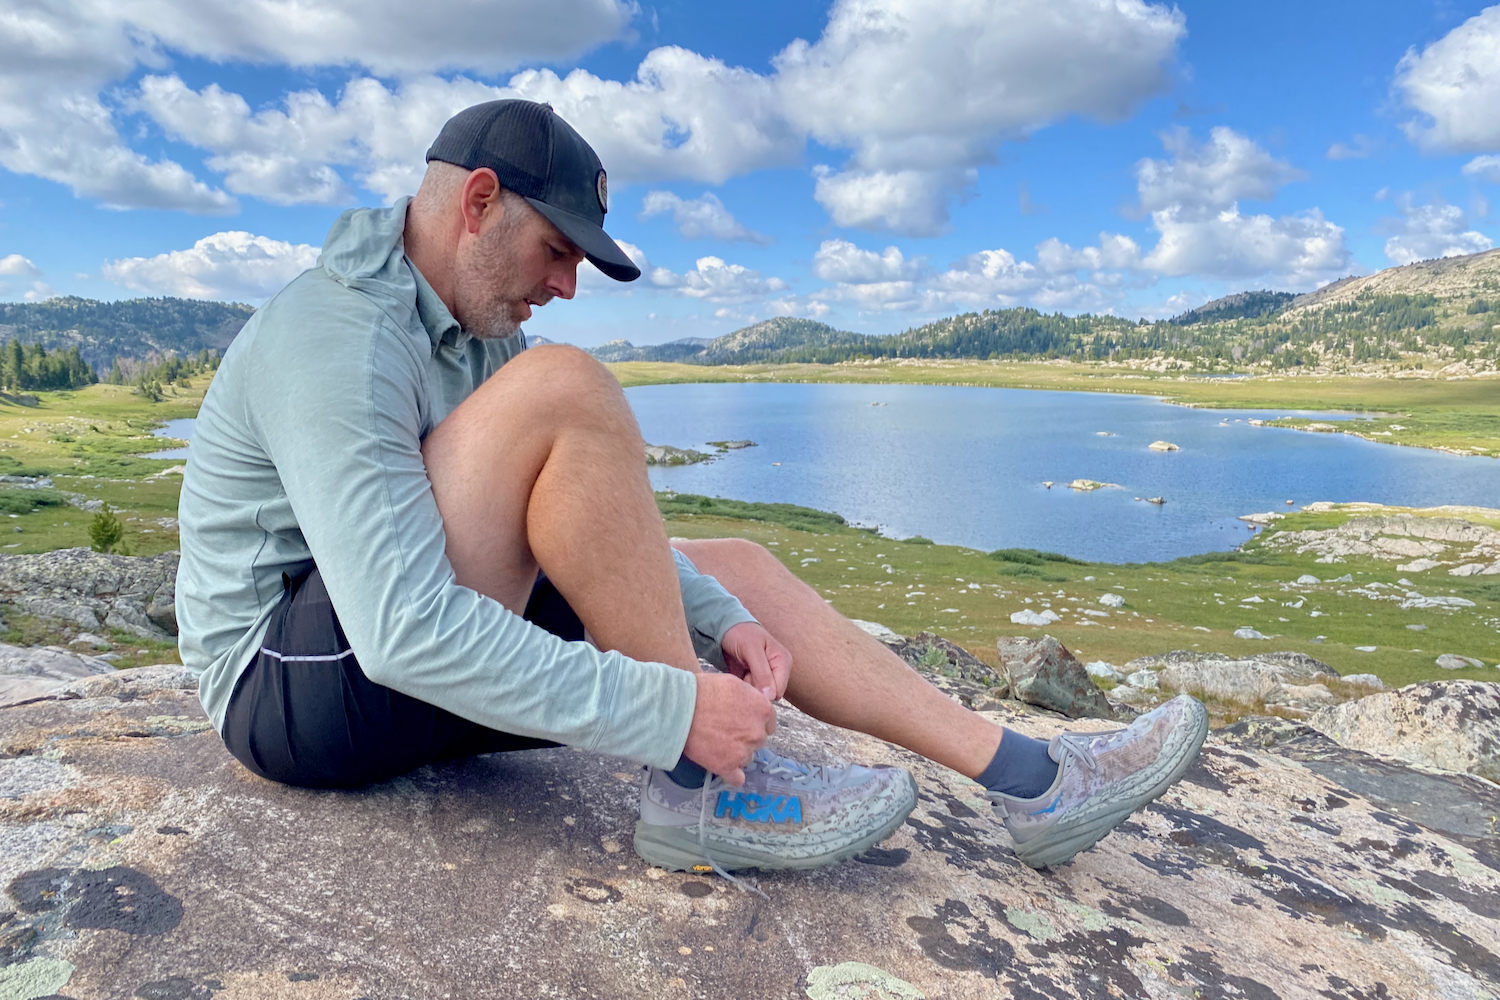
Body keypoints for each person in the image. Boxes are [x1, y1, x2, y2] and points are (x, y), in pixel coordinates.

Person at [177, 99, 1207, 875]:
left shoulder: (470, 332)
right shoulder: (341, 333)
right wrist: (667, 708)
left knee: (736, 570)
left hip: (388, 668)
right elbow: (400, 628)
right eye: (557, 249)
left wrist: (712, 617)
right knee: (569, 389)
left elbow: (578, 539)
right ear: (478, 200)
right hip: (285, 691)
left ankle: (1033, 779)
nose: (567, 284)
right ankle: (698, 788)